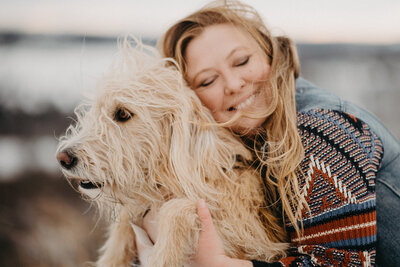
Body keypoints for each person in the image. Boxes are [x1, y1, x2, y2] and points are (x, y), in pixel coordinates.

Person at [136, 1, 400, 266]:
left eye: (241, 61)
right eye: (208, 81)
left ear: (269, 53)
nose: (233, 84)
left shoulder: (319, 131)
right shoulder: (256, 141)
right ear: (190, 100)